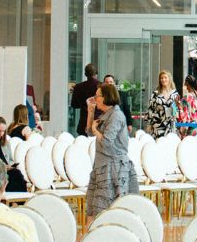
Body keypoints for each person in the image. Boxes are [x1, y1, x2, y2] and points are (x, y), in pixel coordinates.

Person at [85, 83, 140, 217]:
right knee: (97, 209)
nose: (94, 98)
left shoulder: (116, 115)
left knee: (109, 210)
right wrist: (90, 112)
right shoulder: (107, 114)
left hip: (113, 168)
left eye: (97, 96)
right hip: (103, 164)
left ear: (105, 98)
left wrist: (94, 129)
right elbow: (89, 133)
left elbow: (106, 142)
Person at [0, 116, 27, 193]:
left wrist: (11, 165)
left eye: (3, 131)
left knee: (17, 174)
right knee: (16, 176)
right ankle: (18, 201)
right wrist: (1, 166)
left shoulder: (6, 144)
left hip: (7, 171)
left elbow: (10, 160)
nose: (1, 134)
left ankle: (18, 200)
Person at [145, 70, 178, 137]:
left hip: (170, 125)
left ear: (169, 79)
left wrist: (174, 113)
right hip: (157, 125)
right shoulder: (155, 94)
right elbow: (150, 109)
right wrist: (148, 124)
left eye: (165, 77)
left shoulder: (174, 94)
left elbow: (176, 109)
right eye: (161, 78)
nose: (163, 79)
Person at [70, 63, 100, 136]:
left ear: (85, 74)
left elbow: (74, 104)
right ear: (96, 73)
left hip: (83, 122)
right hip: (98, 122)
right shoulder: (101, 86)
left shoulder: (78, 87)